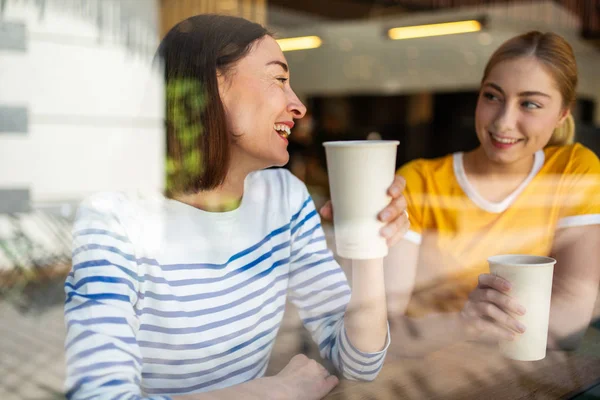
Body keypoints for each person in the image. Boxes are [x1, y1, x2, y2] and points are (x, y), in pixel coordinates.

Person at [63, 14, 409, 400]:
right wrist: (272, 393)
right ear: (211, 87)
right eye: (279, 79)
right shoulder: (115, 219)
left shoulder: (285, 198)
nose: (299, 106)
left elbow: (359, 363)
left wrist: (370, 243)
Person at [385, 31, 600, 356]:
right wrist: (463, 323)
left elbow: (568, 326)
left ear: (562, 114)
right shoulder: (419, 181)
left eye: (529, 103)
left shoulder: (574, 168)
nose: (503, 122)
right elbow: (381, 329)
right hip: (420, 373)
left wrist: (464, 330)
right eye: (492, 96)